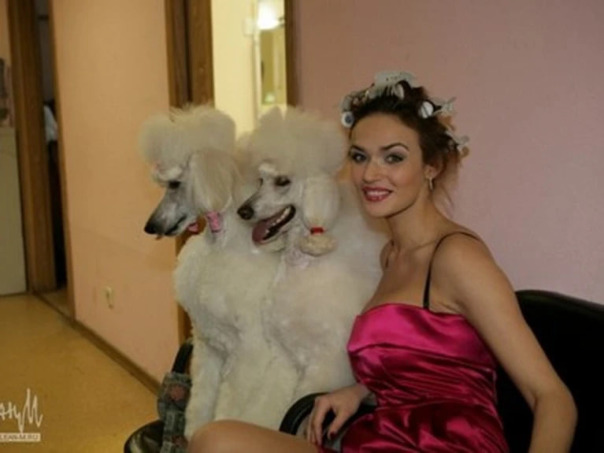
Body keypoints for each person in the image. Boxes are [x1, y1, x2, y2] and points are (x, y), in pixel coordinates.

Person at [186, 72, 577, 453]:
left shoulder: (457, 258)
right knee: (216, 440)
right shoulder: (390, 254)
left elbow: (552, 397)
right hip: (378, 440)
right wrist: (359, 391)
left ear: (431, 166)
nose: (371, 174)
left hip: (449, 444)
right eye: (360, 156)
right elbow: (422, 364)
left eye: (393, 157)